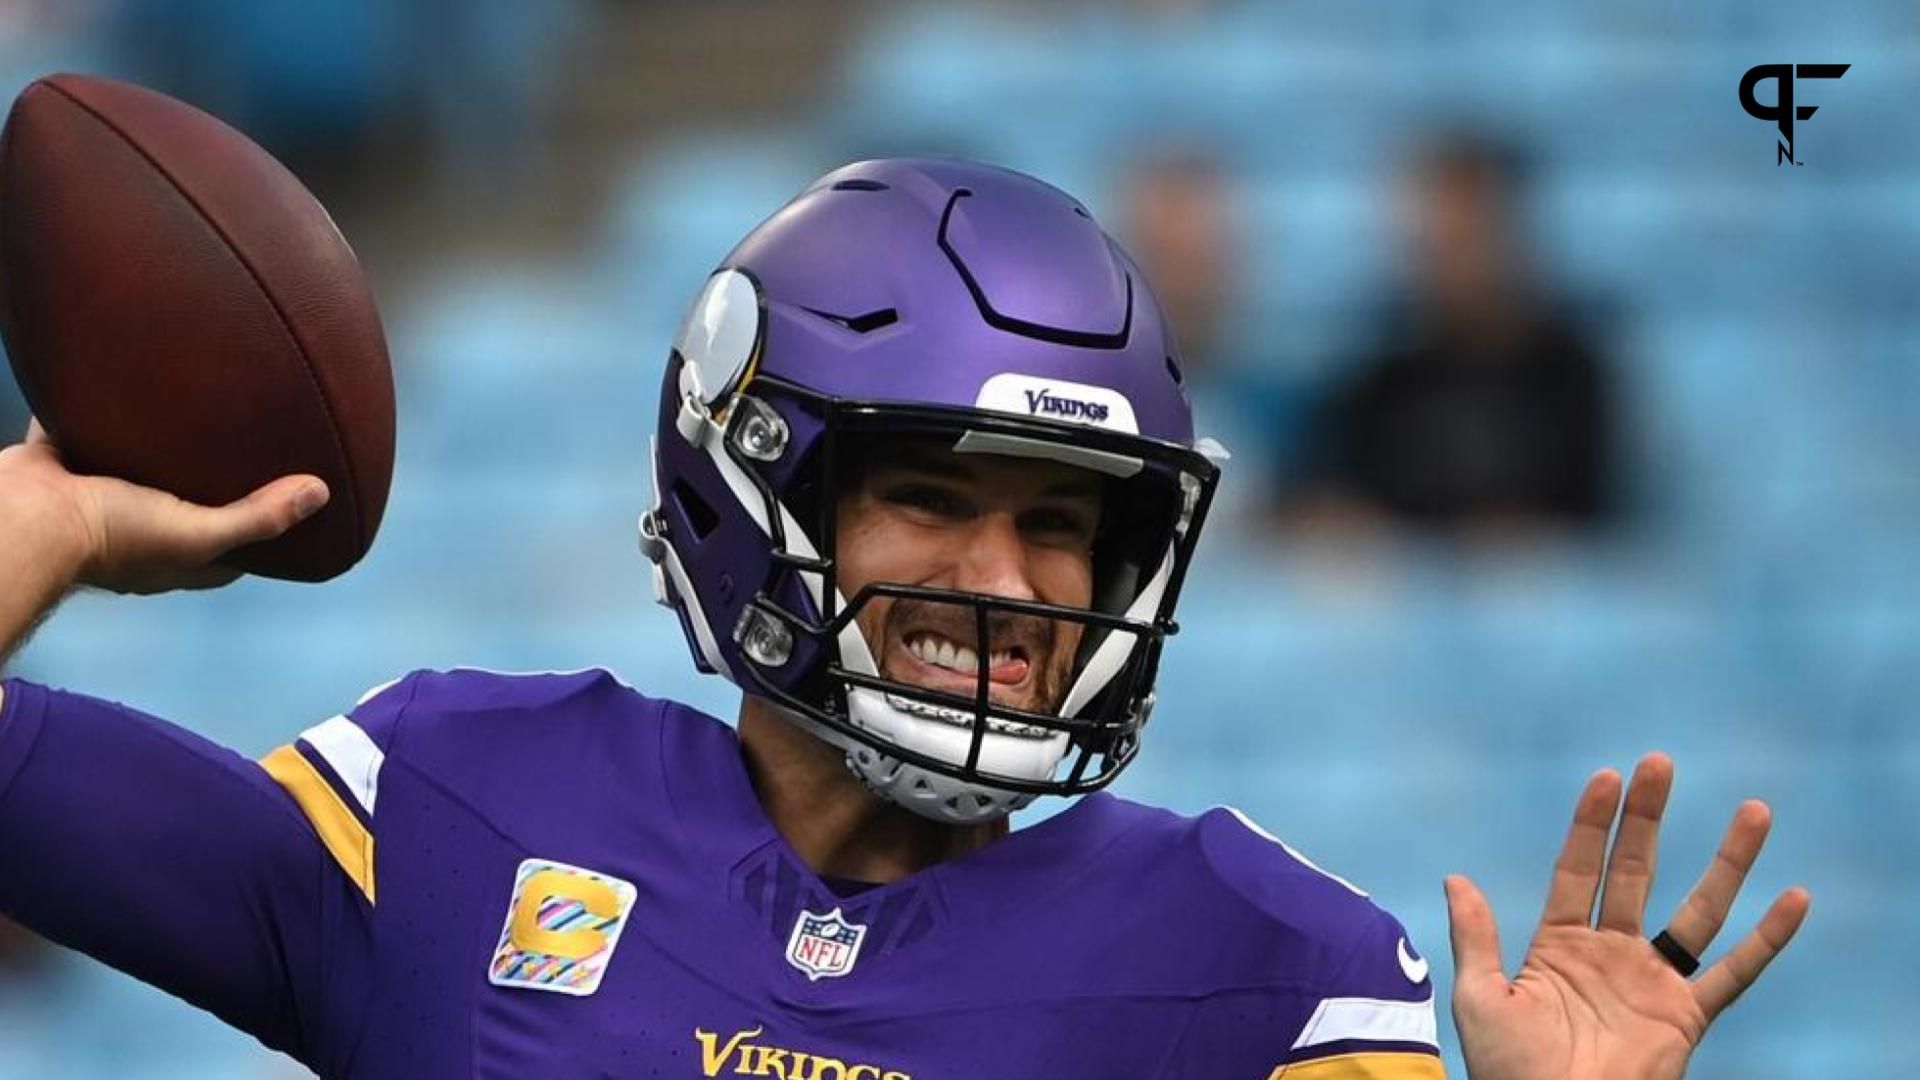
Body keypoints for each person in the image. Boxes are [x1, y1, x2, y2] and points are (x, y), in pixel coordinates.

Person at [0, 158, 1804, 1078]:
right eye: (934, 497)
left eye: (1065, 529)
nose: (1010, 584)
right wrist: (51, 530)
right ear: (757, 486)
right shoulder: (465, 809)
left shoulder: (1255, 964)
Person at [1284, 134, 1618, 537]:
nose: (1447, 258)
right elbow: (1322, 500)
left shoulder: (1574, 378)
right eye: (1434, 238)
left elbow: (1607, 522)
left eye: (1466, 235)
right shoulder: (1381, 382)